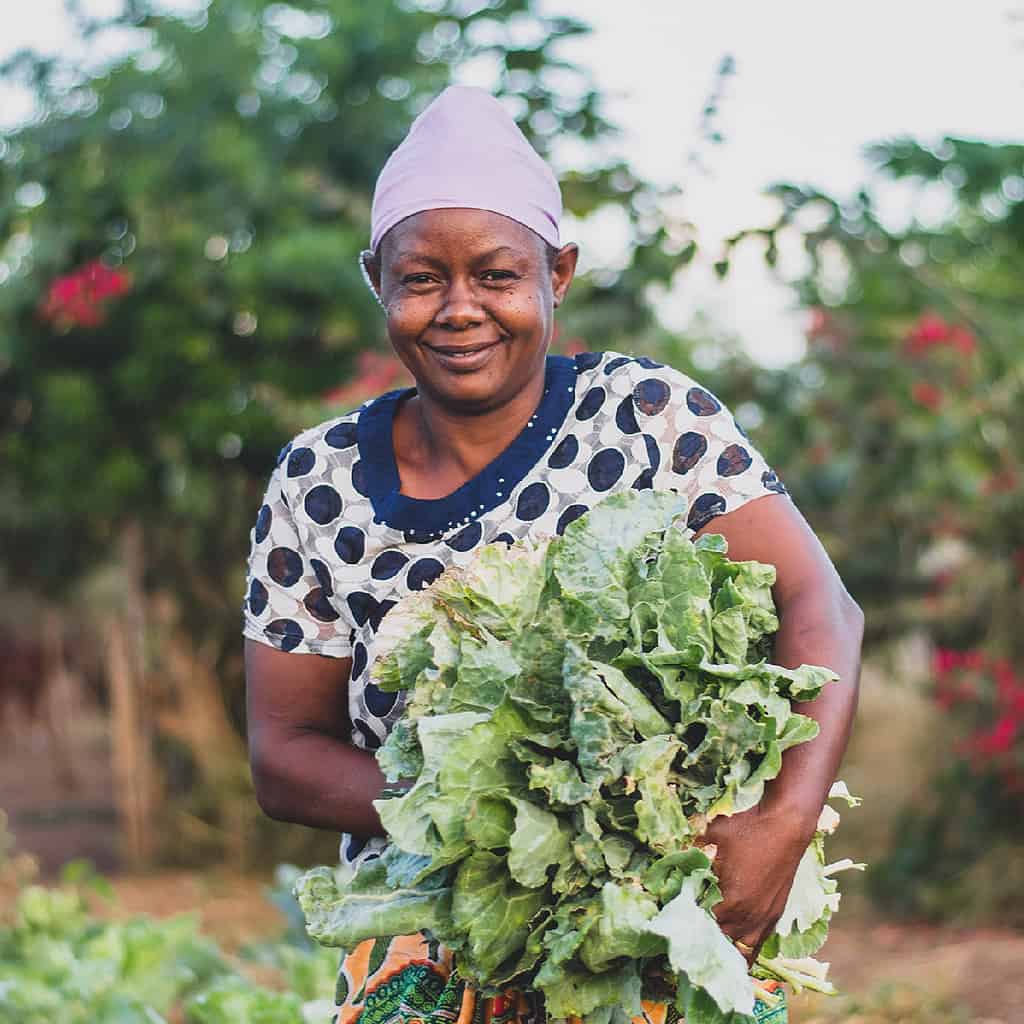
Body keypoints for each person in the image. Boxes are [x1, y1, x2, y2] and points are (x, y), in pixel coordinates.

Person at [243, 85, 863, 1024]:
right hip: (427, 937)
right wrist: (510, 816)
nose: (459, 309)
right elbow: (284, 755)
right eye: (420, 279)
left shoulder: (648, 418)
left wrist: (782, 823)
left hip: (658, 920)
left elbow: (823, 611)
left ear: (557, 273)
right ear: (378, 279)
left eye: (495, 275)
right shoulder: (317, 481)